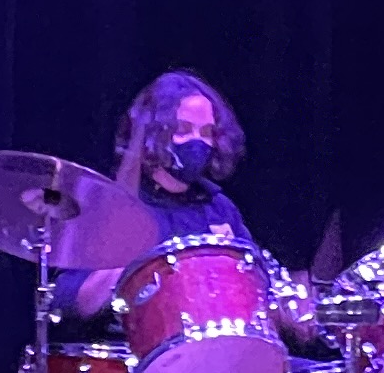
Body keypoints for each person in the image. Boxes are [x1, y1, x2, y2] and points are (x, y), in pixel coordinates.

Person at [56, 71, 271, 320]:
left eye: (206, 132)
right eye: (184, 130)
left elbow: (259, 290)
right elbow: (68, 303)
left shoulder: (219, 208)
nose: (197, 141)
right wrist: (123, 258)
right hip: (131, 341)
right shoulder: (109, 204)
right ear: (153, 135)